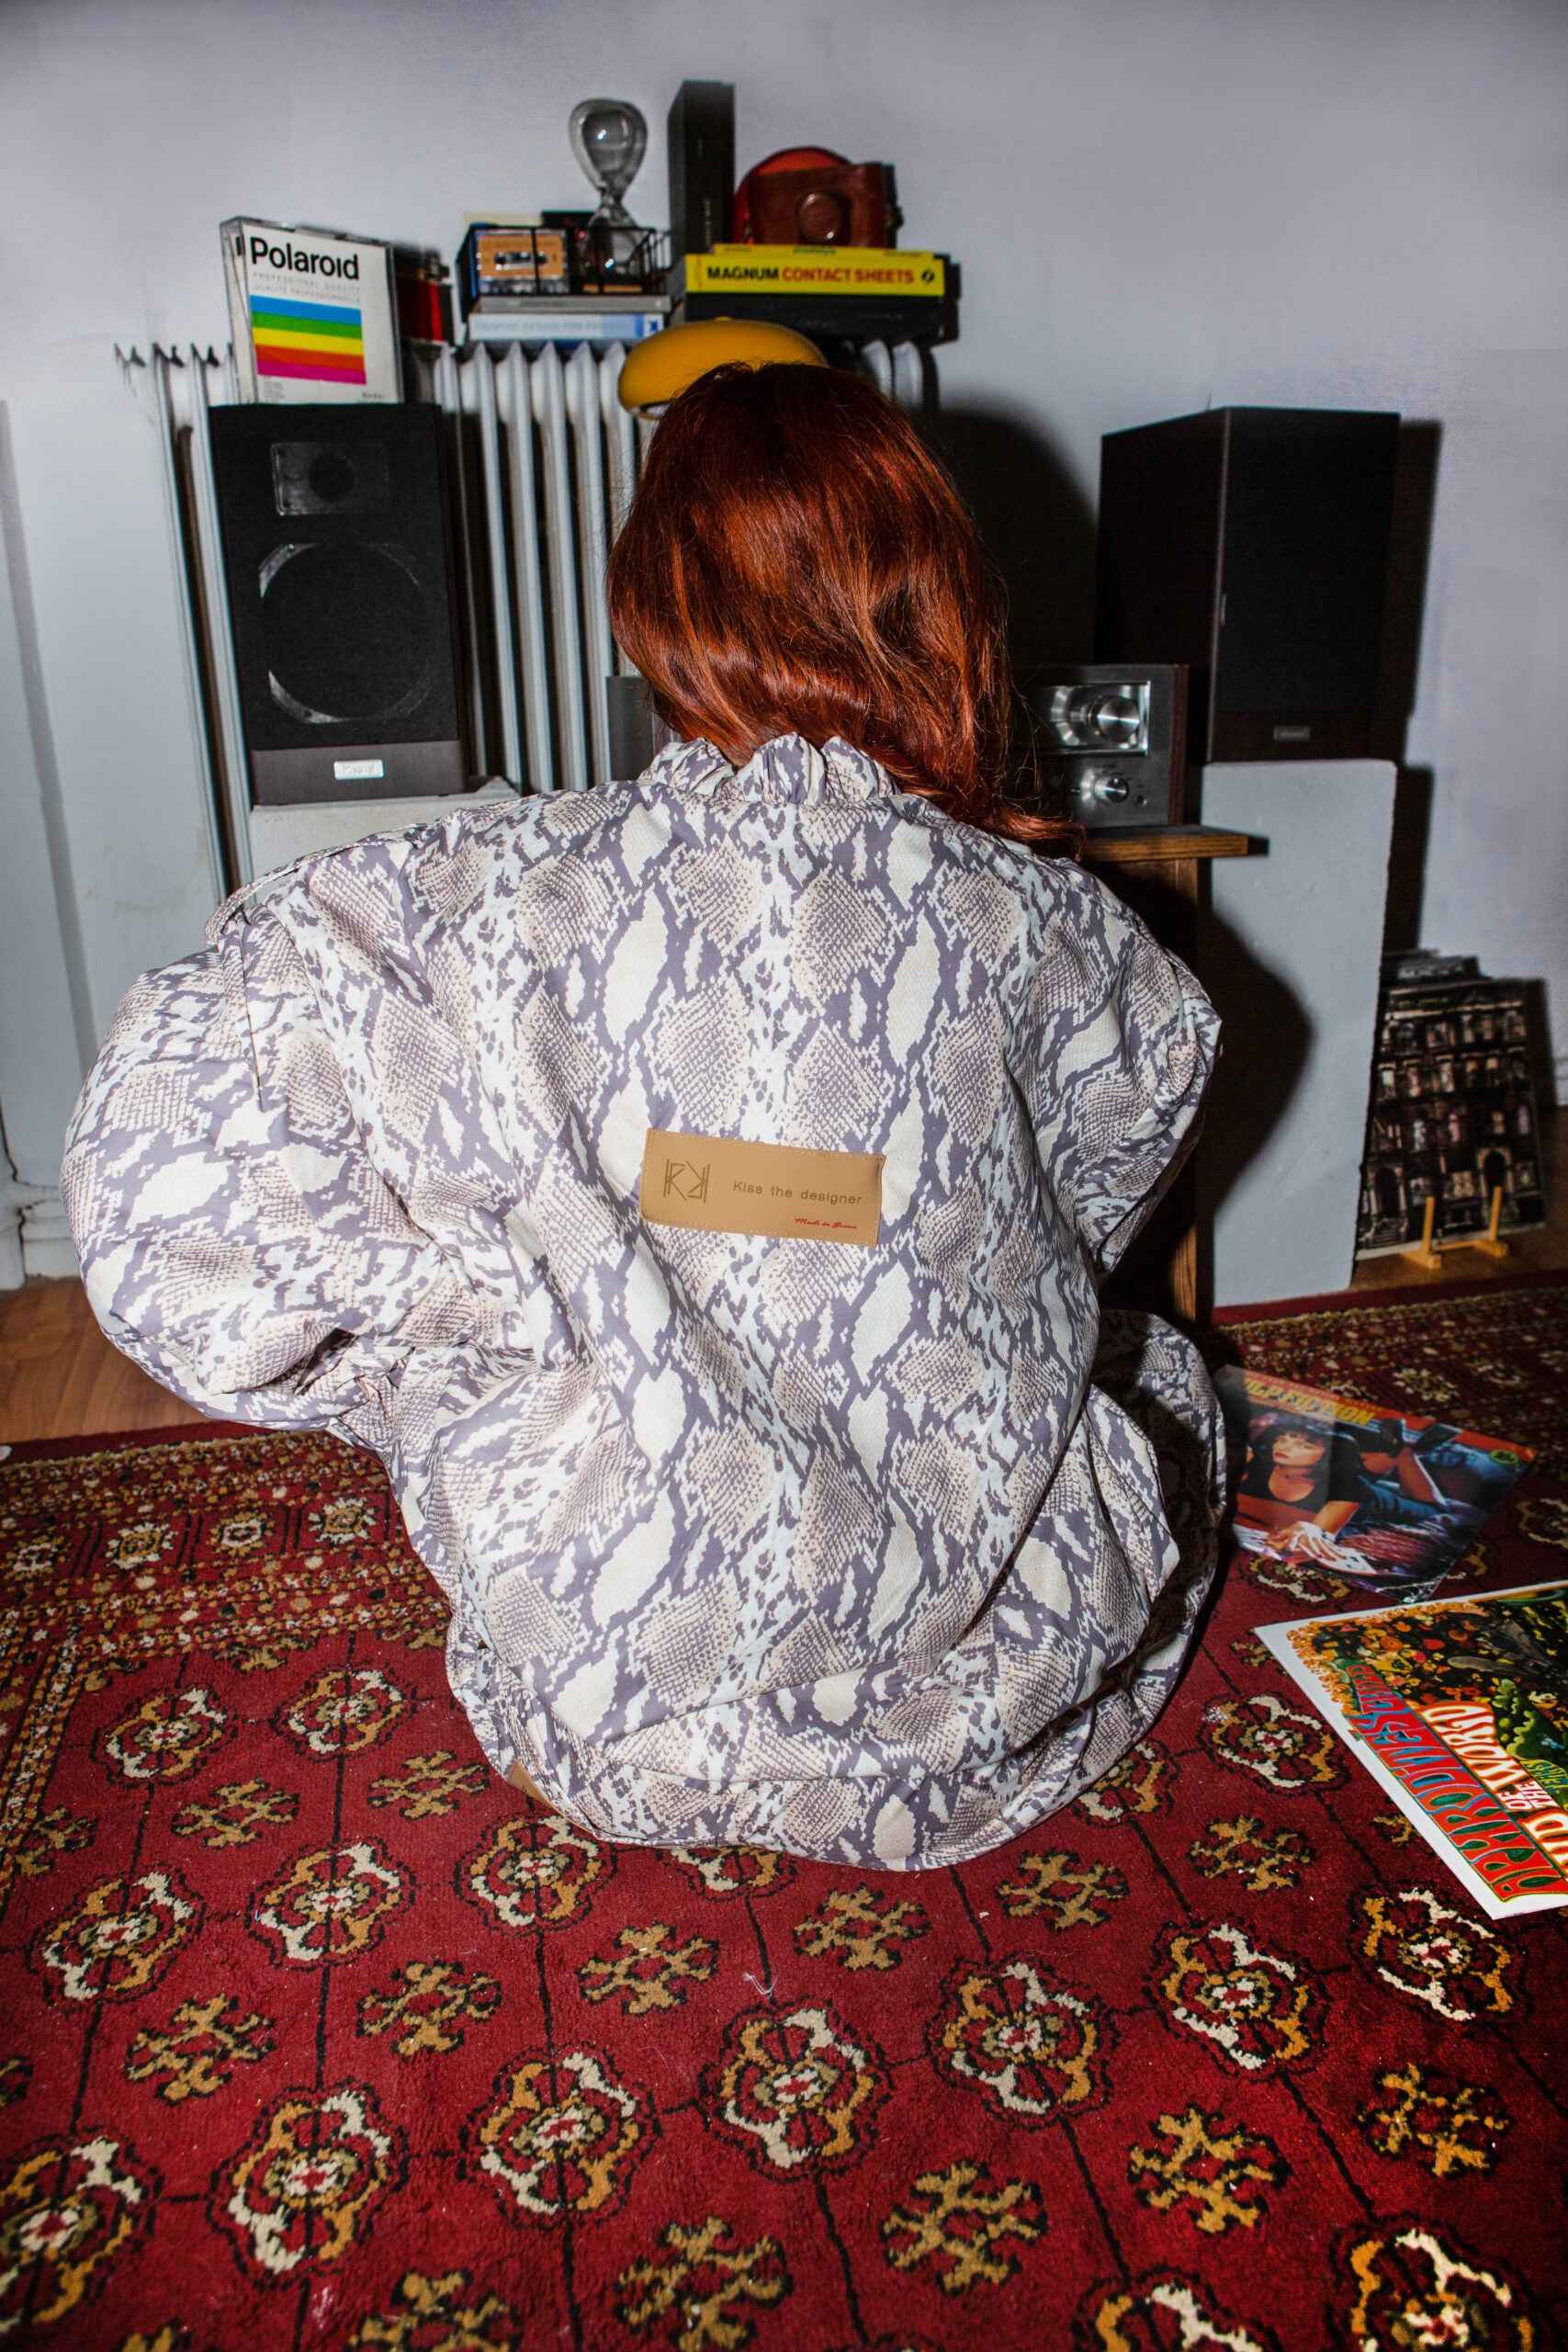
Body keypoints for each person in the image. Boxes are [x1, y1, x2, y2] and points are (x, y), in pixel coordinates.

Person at [61, 361, 1224, 1871]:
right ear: (945, 610)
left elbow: (155, 1184)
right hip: (975, 1700)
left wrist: (464, 1332)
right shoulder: (1064, 935)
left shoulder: (473, 900)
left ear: (648, 611)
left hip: (607, 1700)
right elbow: (1108, 1187)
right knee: (1157, 1383)